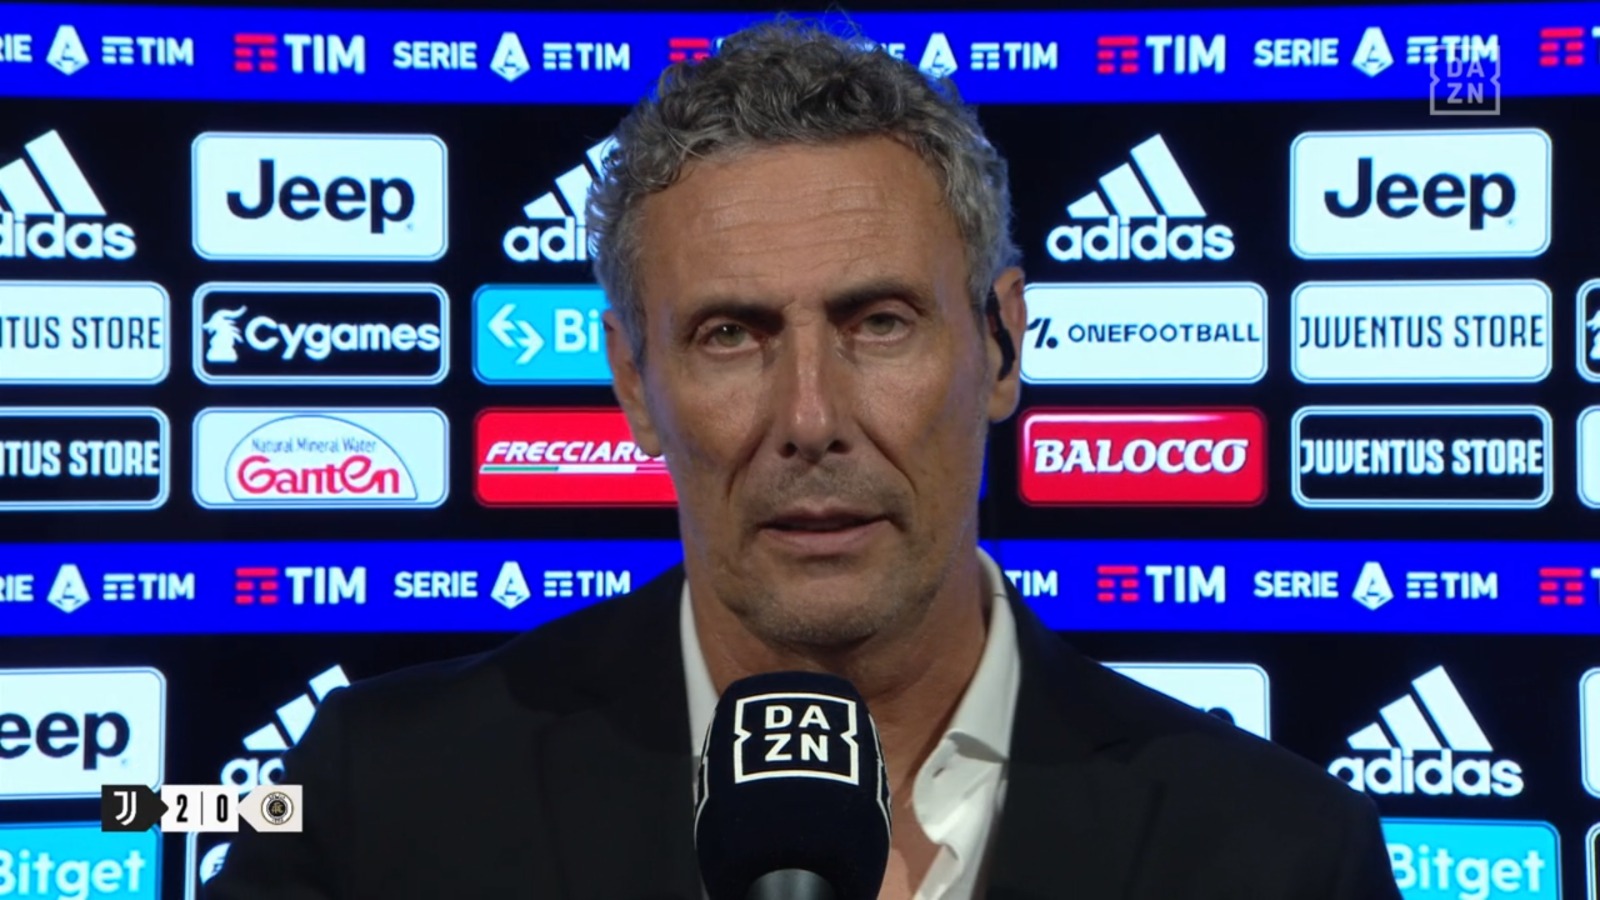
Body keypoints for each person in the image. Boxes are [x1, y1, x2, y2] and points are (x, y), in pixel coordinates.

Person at [205, 18, 1400, 900]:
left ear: (999, 345)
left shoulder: (1278, 853)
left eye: (878, 322)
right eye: (731, 335)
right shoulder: (377, 799)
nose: (810, 416)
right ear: (634, 382)